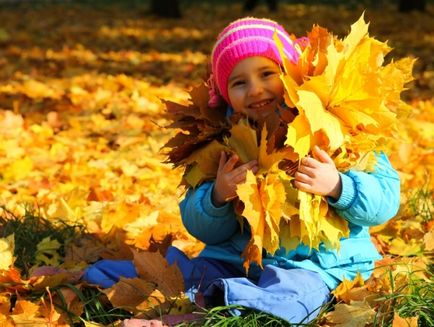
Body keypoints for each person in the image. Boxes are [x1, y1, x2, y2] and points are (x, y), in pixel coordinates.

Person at [83, 17, 401, 324]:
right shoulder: (221, 143)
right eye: (239, 82)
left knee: (295, 296)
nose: (256, 89)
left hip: (314, 267)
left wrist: (338, 187)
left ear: (293, 73)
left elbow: (385, 200)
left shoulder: (334, 128)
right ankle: (120, 288)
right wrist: (218, 197)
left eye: (267, 73)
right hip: (233, 263)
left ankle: (197, 310)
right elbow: (199, 226)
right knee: (180, 273)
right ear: (224, 95)